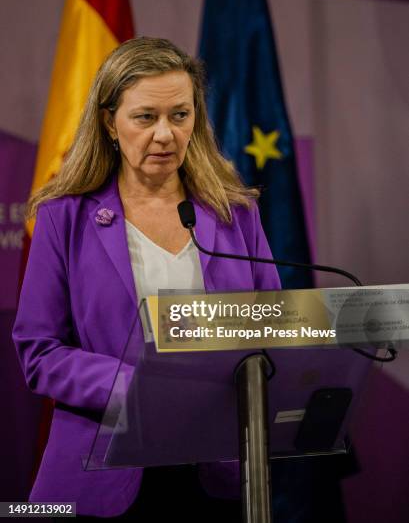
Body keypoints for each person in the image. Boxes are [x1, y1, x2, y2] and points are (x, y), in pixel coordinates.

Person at [13, 37, 281, 519]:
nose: (165, 134)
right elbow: (40, 352)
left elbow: (271, 329)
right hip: (103, 474)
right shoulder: (65, 218)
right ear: (108, 122)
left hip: (215, 474)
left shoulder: (235, 214)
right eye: (145, 117)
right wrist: (137, 390)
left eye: (180, 115)